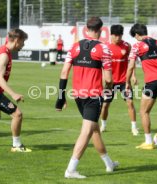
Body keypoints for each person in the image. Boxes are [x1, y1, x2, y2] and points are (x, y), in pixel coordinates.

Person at [55, 17, 118, 179]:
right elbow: (109, 79)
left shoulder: (75, 47)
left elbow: (64, 73)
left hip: (78, 95)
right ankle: (70, 170)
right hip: (92, 96)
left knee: (94, 129)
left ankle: (109, 164)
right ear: (101, 30)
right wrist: (108, 90)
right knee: (86, 131)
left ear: (86, 29)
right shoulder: (104, 49)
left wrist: (60, 98)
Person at [0, 28, 31, 152]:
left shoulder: (5, 50)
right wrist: (13, 94)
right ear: (17, 40)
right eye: (23, 42)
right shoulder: (4, 54)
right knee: (17, 114)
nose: (23, 44)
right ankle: (16, 146)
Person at [100, 24, 139, 136]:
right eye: (116, 35)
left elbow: (131, 62)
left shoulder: (127, 46)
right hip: (110, 82)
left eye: (120, 35)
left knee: (130, 102)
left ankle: (134, 127)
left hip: (123, 81)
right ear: (111, 35)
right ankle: (103, 125)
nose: (118, 38)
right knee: (105, 104)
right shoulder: (105, 47)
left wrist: (133, 75)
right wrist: (103, 78)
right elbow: (102, 65)